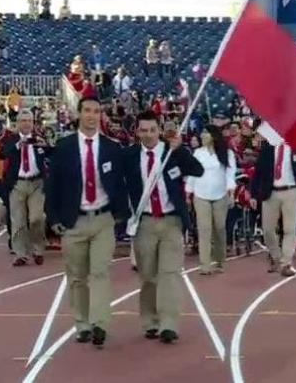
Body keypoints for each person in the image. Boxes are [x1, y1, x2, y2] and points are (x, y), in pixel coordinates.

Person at [47, 96, 130, 348]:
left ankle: (100, 323)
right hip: (74, 221)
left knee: (100, 272)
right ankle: (82, 323)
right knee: (77, 277)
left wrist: (121, 213)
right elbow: (53, 187)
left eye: (96, 111)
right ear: (79, 114)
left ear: (101, 115)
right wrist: (53, 218)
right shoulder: (63, 147)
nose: (92, 115)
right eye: (87, 111)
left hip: (103, 218)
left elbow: (120, 183)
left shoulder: (112, 148)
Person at [124, 111, 204, 344]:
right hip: (144, 222)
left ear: (159, 130)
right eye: (143, 130)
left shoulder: (172, 152)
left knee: (169, 274)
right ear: (137, 132)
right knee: (148, 276)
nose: (148, 135)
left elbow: (197, 170)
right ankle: (150, 321)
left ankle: (169, 324)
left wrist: (180, 149)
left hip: (171, 221)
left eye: (152, 130)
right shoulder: (129, 157)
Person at [250, 134, 296, 277]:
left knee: (290, 229)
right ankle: (276, 257)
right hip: (270, 192)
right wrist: (254, 194)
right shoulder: (268, 148)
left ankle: (286, 263)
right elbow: (258, 172)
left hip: (291, 191)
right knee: (267, 229)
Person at [0, 109, 50, 266]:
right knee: (18, 220)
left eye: (29, 120)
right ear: (17, 123)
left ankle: (38, 249)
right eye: (23, 120)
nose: (26, 123)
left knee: (37, 218)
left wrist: (46, 146)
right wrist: (17, 146)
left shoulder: (39, 139)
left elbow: (51, 154)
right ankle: (21, 254)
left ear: (33, 123)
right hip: (17, 183)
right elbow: (2, 154)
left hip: (37, 183)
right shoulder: (11, 140)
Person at [187, 125, 236, 275]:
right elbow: (192, 173)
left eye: (205, 133)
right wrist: (188, 193)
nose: (202, 136)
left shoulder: (226, 154)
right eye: (202, 132)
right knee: (204, 229)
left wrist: (231, 193)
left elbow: (230, 174)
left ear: (214, 136)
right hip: (201, 195)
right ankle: (205, 264)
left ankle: (220, 259)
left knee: (220, 228)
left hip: (220, 195)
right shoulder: (198, 153)